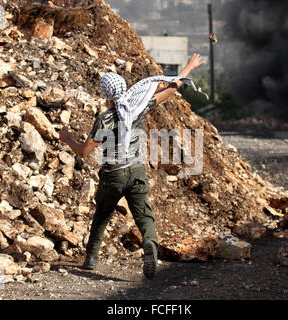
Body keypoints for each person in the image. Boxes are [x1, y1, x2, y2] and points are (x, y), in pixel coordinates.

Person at [59, 53, 204, 279]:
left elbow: (85, 152)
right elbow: (171, 87)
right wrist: (188, 67)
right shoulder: (139, 106)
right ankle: (149, 243)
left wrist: (68, 139)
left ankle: (91, 259)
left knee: (102, 214)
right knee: (144, 215)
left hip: (113, 174)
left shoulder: (105, 119)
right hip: (136, 171)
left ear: (105, 93)